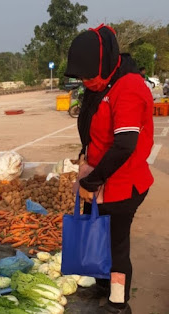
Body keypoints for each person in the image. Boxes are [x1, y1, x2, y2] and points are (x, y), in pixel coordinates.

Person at [64, 24, 154, 314]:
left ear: (106, 63)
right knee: (101, 235)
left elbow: (125, 145)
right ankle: (103, 284)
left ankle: (118, 303)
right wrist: (85, 158)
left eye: (90, 75)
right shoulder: (104, 84)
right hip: (103, 180)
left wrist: (93, 180)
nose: (86, 81)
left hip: (124, 184)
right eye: (82, 77)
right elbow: (95, 130)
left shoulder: (128, 87)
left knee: (117, 246)